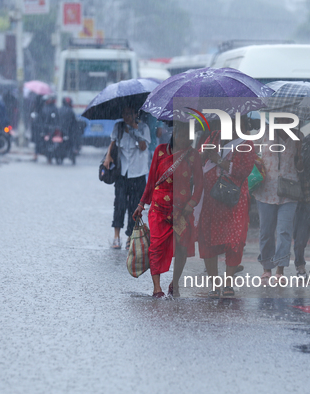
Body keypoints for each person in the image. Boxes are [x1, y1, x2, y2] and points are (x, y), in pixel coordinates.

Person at [133, 122, 203, 298]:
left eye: (189, 135)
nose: (186, 138)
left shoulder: (193, 156)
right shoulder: (160, 151)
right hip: (159, 209)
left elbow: (200, 185)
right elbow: (151, 182)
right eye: (182, 134)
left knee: (181, 247)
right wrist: (142, 204)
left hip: (182, 211)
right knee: (156, 246)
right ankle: (157, 288)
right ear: (175, 134)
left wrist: (192, 203)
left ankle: (175, 282)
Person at [197, 115, 255, 298]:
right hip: (210, 199)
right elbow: (198, 160)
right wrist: (203, 154)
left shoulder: (246, 143)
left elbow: (243, 170)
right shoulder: (214, 137)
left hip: (233, 200)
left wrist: (220, 160)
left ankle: (228, 283)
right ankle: (214, 284)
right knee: (208, 238)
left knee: (234, 240)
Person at [253, 122, 303, 283]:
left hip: (289, 192)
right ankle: (267, 268)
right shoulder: (264, 133)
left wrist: (300, 152)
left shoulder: (298, 137)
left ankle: (280, 269)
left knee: (284, 231)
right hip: (266, 190)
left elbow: (301, 167)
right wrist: (257, 162)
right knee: (266, 231)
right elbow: (251, 153)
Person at [103, 106, 151, 250]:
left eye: (129, 114)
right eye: (124, 113)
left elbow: (143, 146)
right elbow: (112, 143)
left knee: (135, 207)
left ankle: (131, 236)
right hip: (122, 173)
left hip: (138, 173)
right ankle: (116, 237)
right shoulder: (118, 127)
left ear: (136, 114)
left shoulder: (144, 128)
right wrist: (107, 157)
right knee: (119, 204)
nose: (126, 117)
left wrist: (133, 128)